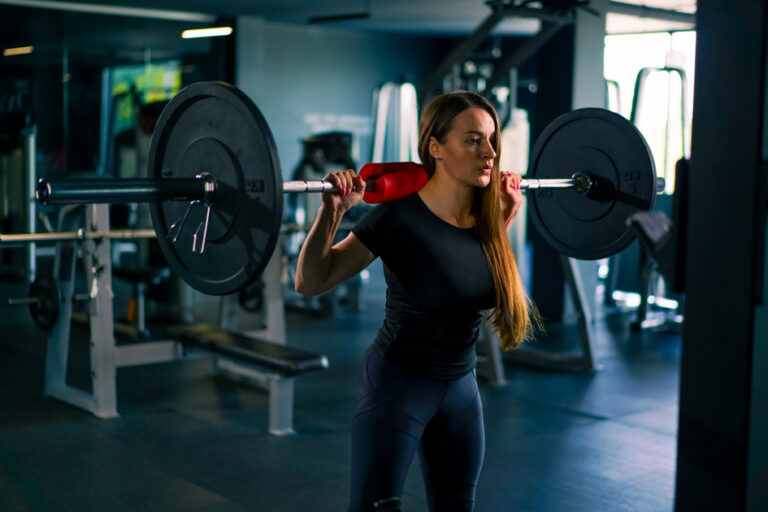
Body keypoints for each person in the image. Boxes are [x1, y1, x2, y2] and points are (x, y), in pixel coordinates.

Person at [295, 90, 539, 512]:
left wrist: (507, 217)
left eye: (491, 140)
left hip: (462, 390)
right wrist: (331, 212)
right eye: (473, 139)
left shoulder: (488, 219)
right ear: (435, 147)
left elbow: (482, 282)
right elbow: (311, 281)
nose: (490, 152)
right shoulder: (398, 217)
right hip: (398, 387)